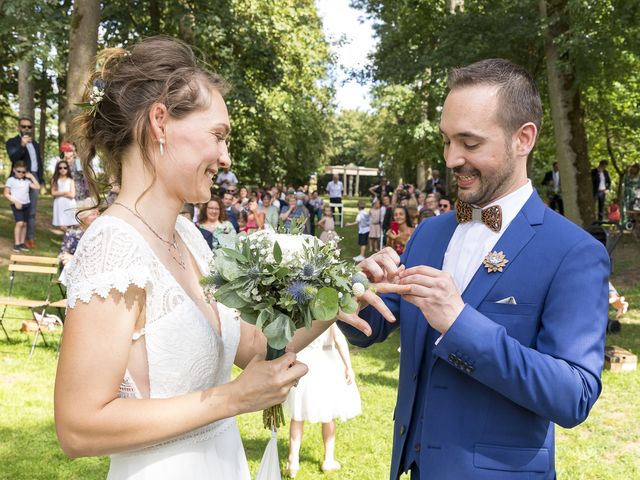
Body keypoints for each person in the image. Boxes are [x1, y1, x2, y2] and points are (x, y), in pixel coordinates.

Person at [54, 37, 346, 480]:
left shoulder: (188, 235)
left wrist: (345, 292)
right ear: (160, 122)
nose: (225, 158)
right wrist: (232, 399)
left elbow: (250, 349)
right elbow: (78, 428)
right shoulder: (114, 246)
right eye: (218, 136)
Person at [338, 58, 610, 479]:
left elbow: (573, 395)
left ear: (523, 139)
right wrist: (358, 287)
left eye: (469, 143)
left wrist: (460, 322)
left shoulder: (573, 252)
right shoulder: (428, 234)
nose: (451, 159)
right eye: (447, 141)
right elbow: (370, 329)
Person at [284, 323, 362, 478]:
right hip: (326, 363)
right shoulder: (329, 310)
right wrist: (348, 366)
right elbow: (339, 338)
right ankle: (328, 459)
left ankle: (293, 460)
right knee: (328, 414)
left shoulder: (301, 309)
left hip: (303, 362)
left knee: (298, 414)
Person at [5, 116, 45, 249]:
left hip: (33, 177)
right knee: (20, 207)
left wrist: (41, 178)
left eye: (29, 127)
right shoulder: (12, 142)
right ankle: (19, 239)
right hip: (20, 178)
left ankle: (30, 238)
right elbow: (13, 158)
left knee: (32, 210)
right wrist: (22, 145)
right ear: (19, 127)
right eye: (24, 126)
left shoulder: (35, 144)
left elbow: (38, 162)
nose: (27, 129)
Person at [3, 160, 41, 252]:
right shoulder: (10, 180)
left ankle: (21, 243)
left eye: (23, 172)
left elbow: (37, 187)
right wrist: (15, 201)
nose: (21, 173)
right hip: (16, 204)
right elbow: (6, 193)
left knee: (24, 224)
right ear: (14, 170)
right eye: (18, 171)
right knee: (19, 223)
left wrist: (31, 176)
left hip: (26, 204)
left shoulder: (27, 181)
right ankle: (16, 244)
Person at [59, 199, 100, 267]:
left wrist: (74, 259)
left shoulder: (100, 234)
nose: (96, 217)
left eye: (98, 214)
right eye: (93, 214)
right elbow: (61, 256)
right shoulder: (72, 233)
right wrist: (66, 258)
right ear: (83, 217)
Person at [51, 160, 79, 232]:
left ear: (67, 169)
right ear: (58, 169)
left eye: (65, 167)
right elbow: (53, 193)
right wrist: (66, 192)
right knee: (62, 226)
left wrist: (59, 193)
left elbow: (72, 195)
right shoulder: (55, 180)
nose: (63, 169)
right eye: (60, 168)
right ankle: (69, 237)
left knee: (75, 223)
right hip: (59, 205)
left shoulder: (70, 180)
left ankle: (73, 236)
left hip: (69, 204)